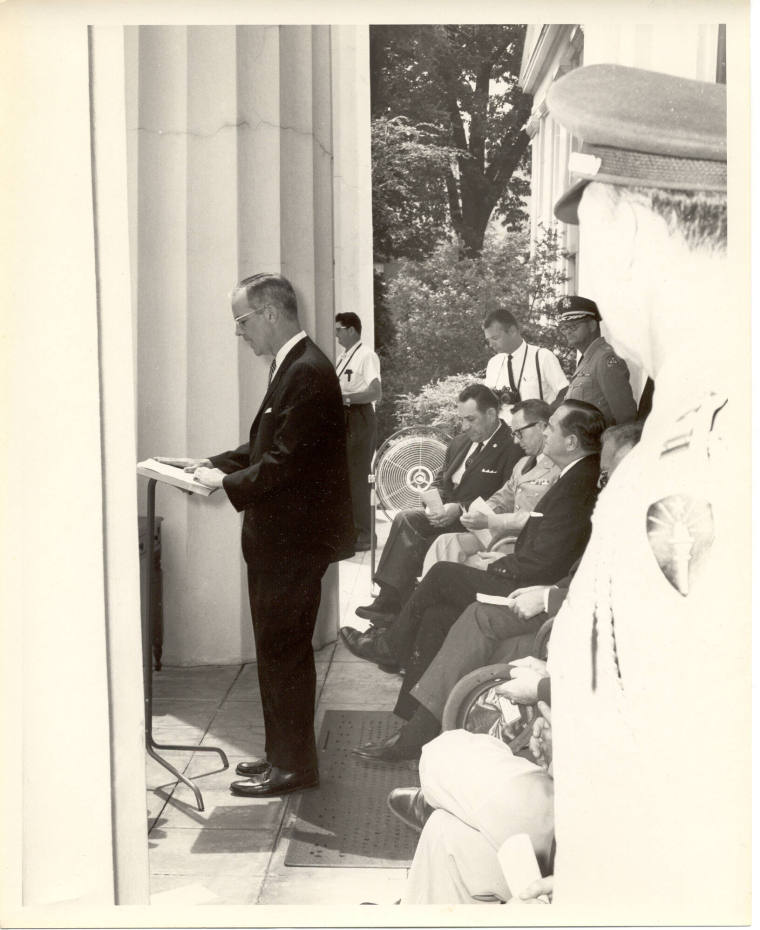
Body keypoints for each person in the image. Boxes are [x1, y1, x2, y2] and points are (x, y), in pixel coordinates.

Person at [537, 64, 744, 921]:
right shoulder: (692, 423)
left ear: (625, 229)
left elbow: (688, 810)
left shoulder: (700, 462)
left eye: (585, 239)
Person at [341, 400, 604, 760]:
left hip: (528, 587)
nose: (544, 432)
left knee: (443, 575)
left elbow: (547, 560)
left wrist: (498, 567)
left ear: (571, 441)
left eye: (551, 427)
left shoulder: (579, 481)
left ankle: (391, 647)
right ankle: (414, 727)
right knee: (436, 615)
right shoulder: (574, 475)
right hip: (523, 573)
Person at [186, 273, 354, 798]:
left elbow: (286, 463)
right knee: (277, 652)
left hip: (291, 544)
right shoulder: (295, 366)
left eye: (242, 320)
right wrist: (207, 465)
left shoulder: (306, 370)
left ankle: (295, 767)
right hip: (281, 542)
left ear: (271, 314)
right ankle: (281, 756)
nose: (239, 333)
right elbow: (266, 444)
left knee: (284, 653)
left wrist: (225, 483)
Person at [356, 384, 522, 624]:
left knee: (409, 524)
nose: (465, 427)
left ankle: (393, 605)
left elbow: (506, 498)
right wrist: (433, 500)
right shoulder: (460, 442)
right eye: (462, 419)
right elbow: (442, 479)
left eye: (470, 420)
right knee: (407, 517)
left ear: (492, 414)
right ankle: (390, 599)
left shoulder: (512, 447)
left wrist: (460, 508)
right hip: (447, 515)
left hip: (477, 525)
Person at [392, 702, 556, 905]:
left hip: (573, 840)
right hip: (574, 838)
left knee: (444, 753)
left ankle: (446, 801)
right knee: (445, 831)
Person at [420, 399, 560, 576]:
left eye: (520, 434)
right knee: (446, 543)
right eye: (514, 434)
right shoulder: (523, 463)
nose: (516, 442)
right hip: (502, 536)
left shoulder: (559, 467)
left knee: (465, 566)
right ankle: (426, 594)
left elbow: (541, 519)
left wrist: (489, 521)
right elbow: (502, 498)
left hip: (527, 545)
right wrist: (476, 513)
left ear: (541, 427)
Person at [335, 312, 382, 551]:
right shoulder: (343, 356)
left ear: (352, 329)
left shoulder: (366, 355)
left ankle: (366, 534)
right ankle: (352, 530)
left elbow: (375, 392)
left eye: (339, 329)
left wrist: (346, 399)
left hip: (360, 417)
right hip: (346, 418)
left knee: (358, 475)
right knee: (347, 476)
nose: (336, 334)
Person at [556, 295, 637, 426]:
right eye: (564, 327)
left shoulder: (605, 358)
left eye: (573, 326)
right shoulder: (588, 359)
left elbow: (625, 416)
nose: (567, 332)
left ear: (592, 325)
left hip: (601, 444)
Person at [483, 307, 568, 420]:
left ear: (513, 331)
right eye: (488, 340)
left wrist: (547, 417)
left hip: (536, 432)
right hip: (504, 433)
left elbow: (565, 392)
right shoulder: (493, 364)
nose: (491, 344)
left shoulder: (542, 357)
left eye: (495, 338)